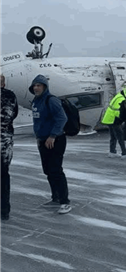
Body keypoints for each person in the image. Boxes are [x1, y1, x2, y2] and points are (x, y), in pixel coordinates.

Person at [29, 74, 71, 214]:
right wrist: (39, 137)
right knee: (48, 170)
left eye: (39, 85)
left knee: (56, 170)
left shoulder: (51, 100)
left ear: (45, 87)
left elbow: (62, 118)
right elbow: (38, 122)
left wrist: (52, 136)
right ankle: (56, 197)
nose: (36, 88)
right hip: (42, 140)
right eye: (34, 85)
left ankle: (65, 201)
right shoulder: (36, 101)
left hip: (55, 140)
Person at [0, 74, 18, 221]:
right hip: (5, 142)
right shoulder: (10, 96)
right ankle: (4, 210)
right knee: (3, 175)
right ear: (4, 84)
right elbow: (14, 114)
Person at [101, 86, 126, 158]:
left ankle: (112, 151)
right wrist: (123, 118)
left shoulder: (118, 96)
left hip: (109, 118)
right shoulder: (121, 99)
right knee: (120, 136)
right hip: (114, 119)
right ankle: (124, 152)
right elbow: (118, 111)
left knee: (113, 136)